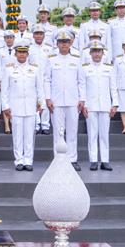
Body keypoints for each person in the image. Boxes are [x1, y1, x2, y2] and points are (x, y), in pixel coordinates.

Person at [45, 31, 84, 171]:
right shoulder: (51, 59)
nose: (64, 44)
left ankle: (72, 159)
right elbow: (47, 79)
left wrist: (82, 99)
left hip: (73, 100)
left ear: (71, 43)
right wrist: (48, 98)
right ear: (57, 43)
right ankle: (58, 160)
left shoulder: (77, 59)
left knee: (72, 131)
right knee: (57, 131)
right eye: (61, 42)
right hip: (56, 101)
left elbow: (81, 81)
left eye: (66, 42)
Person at [2, 40, 44, 171]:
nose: (22, 55)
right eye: (19, 52)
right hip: (15, 107)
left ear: (27, 54)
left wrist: (41, 103)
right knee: (17, 135)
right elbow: (4, 90)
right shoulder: (9, 69)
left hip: (31, 106)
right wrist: (5, 106)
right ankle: (19, 160)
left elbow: (40, 87)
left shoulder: (34, 68)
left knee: (29, 135)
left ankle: (28, 160)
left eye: (24, 52)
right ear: (15, 53)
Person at [80, 41, 118, 171]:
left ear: (103, 53)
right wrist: (83, 103)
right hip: (90, 105)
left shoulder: (109, 68)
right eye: (94, 51)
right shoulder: (85, 68)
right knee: (92, 134)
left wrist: (115, 104)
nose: (97, 54)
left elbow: (113, 87)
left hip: (105, 105)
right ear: (90, 53)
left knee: (104, 134)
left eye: (99, 51)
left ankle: (105, 160)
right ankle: (94, 160)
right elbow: (82, 87)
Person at [29, 24, 53, 135]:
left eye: (41, 34)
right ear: (33, 35)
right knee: (34, 101)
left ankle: (45, 125)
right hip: (33, 78)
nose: (39, 36)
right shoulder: (29, 48)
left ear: (44, 35)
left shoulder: (49, 48)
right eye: (36, 34)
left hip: (45, 78)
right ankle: (35, 124)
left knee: (46, 100)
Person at [0, 30, 17, 134]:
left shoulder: (18, 50)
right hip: (3, 78)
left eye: (11, 37)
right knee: (4, 100)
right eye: (7, 38)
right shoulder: (0, 51)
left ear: (13, 38)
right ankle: (7, 125)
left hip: (14, 78)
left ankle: (13, 122)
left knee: (12, 100)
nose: (9, 39)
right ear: (4, 39)